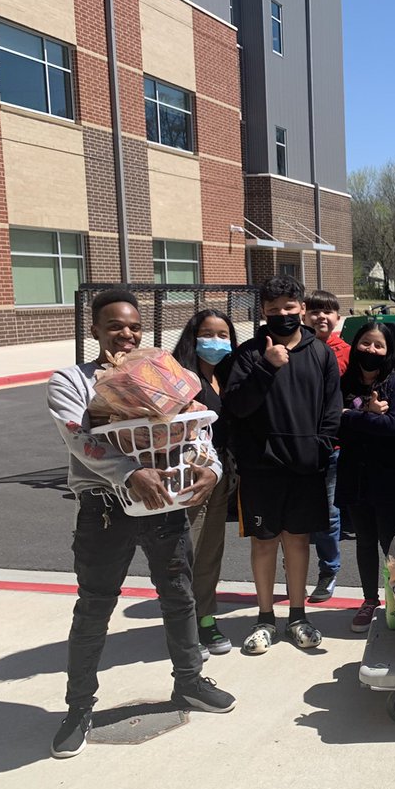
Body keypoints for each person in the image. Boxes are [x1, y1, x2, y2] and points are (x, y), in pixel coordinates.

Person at [47, 289, 235, 758]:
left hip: (166, 506)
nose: (126, 334)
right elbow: (79, 439)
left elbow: (197, 430)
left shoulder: (168, 376)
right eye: (114, 326)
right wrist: (130, 472)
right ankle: (78, 708)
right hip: (106, 508)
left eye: (133, 326)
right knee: (94, 607)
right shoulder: (72, 382)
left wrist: (210, 468)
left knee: (179, 595)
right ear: (94, 330)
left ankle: (189, 682)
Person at [224, 275, 342, 655]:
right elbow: (237, 406)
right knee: (263, 543)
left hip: (306, 467)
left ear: (302, 309)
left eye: (290, 308)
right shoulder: (249, 353)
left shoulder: (320, 353)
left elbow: (332, 409)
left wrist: (321, 447)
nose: (283, 315)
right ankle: (264, 618)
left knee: (298, 542)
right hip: (262, 468)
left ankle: (297, 615)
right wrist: (267, 367)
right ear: (263, 313)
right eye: (274, 310)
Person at [336, 322, 395, 632]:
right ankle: (370, 600)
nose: (371, 350)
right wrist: (368, 416)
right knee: (365, 540)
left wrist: (352, 416)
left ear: (388, 351)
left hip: (390, 476)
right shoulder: (344, 383)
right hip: (356, 474)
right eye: (365, 343)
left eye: (378, 345)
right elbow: (330, 422)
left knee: (392, 543)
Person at [171, 308, 239, 656]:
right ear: (192, 336)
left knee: (211, 551)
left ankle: (206, 618)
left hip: (220, 475)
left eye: (223, 335)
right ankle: (183, 626)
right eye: (208, 334)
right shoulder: (179, 377)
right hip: (189, 476)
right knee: (187, 552)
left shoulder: (225, 376)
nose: (216, 341)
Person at [302, 290, 348, 602]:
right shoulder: (289, 346)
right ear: (304, 314)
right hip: (294, 447)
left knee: (328, 514)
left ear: (337, 318)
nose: (322, 316)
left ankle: (328, 570)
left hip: (329, 446)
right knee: (294, 516)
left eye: (328, 311)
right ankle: (294, 571)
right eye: (315, 311)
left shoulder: (341, 350)